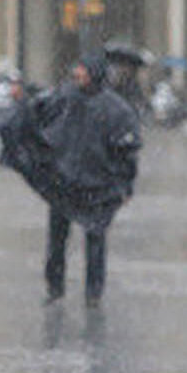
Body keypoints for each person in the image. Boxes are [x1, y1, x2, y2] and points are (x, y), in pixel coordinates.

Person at [36, 52, 142, 307]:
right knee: (57, 239)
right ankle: (55, 287)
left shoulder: (115, 108)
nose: (77, 75)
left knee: (95, 239)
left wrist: (125, 185)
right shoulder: (64, 99)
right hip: (63, 182)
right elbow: (42, 126)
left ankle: (93, 292)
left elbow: (126, 152)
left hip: (97, 185)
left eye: (83, 70)